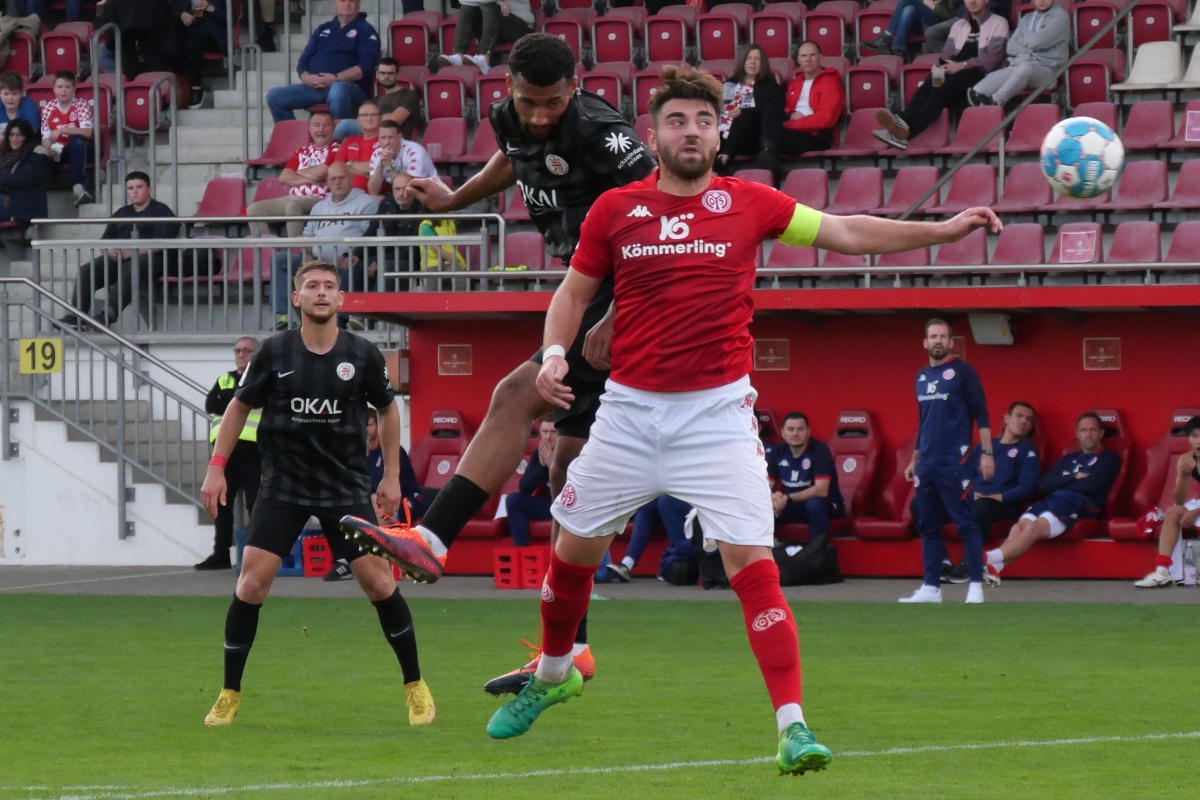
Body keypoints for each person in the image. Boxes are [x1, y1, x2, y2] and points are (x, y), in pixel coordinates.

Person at [452, 64, 999, 774]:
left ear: (719, 135)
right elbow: (572, 294)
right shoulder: (615, 209)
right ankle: (555, 675)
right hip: (628, 415)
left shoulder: (752, 202)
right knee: (571, 556)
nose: (691, 132)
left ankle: (793, 727)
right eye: (676, 121)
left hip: (716, 420)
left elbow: (846, 230)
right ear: (652, 136)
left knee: (753, 569)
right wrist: (555, 353)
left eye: (703, 122)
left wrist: (944, 230)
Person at [340, 32, 657, 694]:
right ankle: (570, 655)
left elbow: (663, 216)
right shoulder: (509, 118)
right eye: (528, 101)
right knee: (567, 475)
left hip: (632, 291)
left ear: (574, 89)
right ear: (509, 89)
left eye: (552, 103)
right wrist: (455, 198)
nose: (539, 116)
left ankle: (432, 538)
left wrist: (620, 313)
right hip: (587, 287)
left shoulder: (604, 134)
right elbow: (514, 159)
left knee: (517, 395)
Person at [199, 260, 435, 728]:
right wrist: (216, 467)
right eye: (312, 286)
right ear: (297, 298)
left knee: (380, 584)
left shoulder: (362, 354)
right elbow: (238, 407)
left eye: (329, 286)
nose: (321, 292)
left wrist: (390, 475)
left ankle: (416, 688)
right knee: (250, 585)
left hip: (344, 487)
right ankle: (228, 694)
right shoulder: (274, 352)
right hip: (283, 486)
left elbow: (387, 411)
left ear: (341, 299)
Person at [897, 318, 994, 605]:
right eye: (933, 336)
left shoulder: (963, 372)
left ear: (951, 343)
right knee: (928, 524)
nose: (937, 341)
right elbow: (924, 421)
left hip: (955, 460)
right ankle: (931, 587)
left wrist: (987, 453)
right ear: (925, 343)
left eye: (942, 337)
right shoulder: (921, 376)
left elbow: (981, 414)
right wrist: (914, 458)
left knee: (965, 522)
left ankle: (975, 585)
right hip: (926, 463)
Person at [984, 412, 1121, 584]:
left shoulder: (1109, 458)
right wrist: (1073, 476)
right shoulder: (1068, 458)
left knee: (1033, 527)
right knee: (1020, 526)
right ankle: (995, 567)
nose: (1088, 434)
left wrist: (1061, 481)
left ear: (1101, 433)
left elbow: (1090, 485)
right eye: (1084, 430)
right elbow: (1043, 485)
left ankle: (988, 557)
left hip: (1080, 504)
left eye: (1093, 430)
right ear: (1077, 434)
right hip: (1051, 500)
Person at [923, 400, 1039, 583]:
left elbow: (1027, 487)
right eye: (1019, 416)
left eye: (1029, 419)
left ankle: (970, 565)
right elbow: (963, 475)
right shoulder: (985, 446)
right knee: (923, 504)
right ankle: (941, 562)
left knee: (982, 506)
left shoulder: (1027, 451)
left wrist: (996, 497)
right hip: (972, 498)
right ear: (1007, 418)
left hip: (1001, 504)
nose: (1024, 421)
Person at [872, 0, 1008, 151]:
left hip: (979, 74)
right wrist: (940, 67)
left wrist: (961, 65)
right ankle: (899, 125)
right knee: (928, 84)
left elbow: (992, 59)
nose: (972, 1)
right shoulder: (959, 25)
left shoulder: (999, 22)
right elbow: (946, 54)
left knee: (941, 90)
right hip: (953, 70)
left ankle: (905, 134)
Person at [59, 171, 180, 329]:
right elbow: (105, 240)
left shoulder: (161, 211)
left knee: (133, 266)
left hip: (153, 260)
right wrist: (109, 250)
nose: (134, 192)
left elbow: (164, 242)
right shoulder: (122, 213)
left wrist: (136, 251)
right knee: (86, 271)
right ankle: (77, 315)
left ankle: (108, 315)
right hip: (121, 258)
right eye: (130, 188)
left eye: (139, 187)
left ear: (149, 189)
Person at [270, 160, 379, 329]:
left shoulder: (366, 203)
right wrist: (307, 255)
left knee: (352, 266)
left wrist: (351, 255)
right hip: (317, 261)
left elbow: (369, 236)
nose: (337, 182)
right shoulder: (319, 207)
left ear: (351, 178)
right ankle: (284, 318)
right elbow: (308, 237)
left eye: (341, 178)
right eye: (333, 179)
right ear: (327, 181)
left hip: (347, 261)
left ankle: (340, 320)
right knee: (280, 259)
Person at [326, 407, 426, 581]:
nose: (365, 429)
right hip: (372, 503)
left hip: (406, 501)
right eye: (362, 425)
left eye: (369, 425)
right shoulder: (354, 453)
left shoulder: (392, 451)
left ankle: (368, 563)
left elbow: (378, 484)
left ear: (379, 427)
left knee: (376, 500)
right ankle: (344, 560)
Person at [195, 337, 261, 571]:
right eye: (238, 350)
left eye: (247, 351)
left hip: (254, 450)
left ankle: (256, 556)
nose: (241, 355)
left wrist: (232, 399)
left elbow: (252, 401)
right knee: (221, 504)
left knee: (256, 504)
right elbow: (211, 404)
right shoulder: (225, 378)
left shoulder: (262, 378)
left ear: (257, 355)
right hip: (225, 452)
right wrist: (238, 401)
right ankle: (221, 554)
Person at [265, 0, 380, 123]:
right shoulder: (323, 28)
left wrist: (337, 78)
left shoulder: (366, 30)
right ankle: (294, 133)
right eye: (342, 0)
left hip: (349, 87)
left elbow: (366, 67)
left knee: (337, 91)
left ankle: (342, 134)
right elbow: (304, 60)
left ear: (358, 4)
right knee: (274, 96)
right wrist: (306, 77)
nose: (347, 4)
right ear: (335, 3)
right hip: (316, 86)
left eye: (351, 1)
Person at [246, 110, 340, 238]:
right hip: (294, 197)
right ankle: (266, 249)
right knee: (254, 209)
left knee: (292, 206)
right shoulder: (302, 151)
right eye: (317, 125)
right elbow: (284, 177)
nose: (321, 130)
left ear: (333, 128)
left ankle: (296, 249)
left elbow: (322, 172)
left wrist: (298, 173)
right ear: (310, 128)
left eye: (326, 125)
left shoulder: (337, 148)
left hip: (321, 198)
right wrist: (312, 178)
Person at [1134, 416, 1200, 589]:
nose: (1198, 441)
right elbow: (1179, 500)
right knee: (1173, 512)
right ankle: (1162, 572)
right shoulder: (1186, 459)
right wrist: (1185, 476)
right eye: (1194, 436)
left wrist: (1195, 512)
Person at [966, 0, 1069, 108]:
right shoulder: (1027, 18)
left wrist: (1025, 41)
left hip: (1049, 70)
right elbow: (1011, 47)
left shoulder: (1060, 17)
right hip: (1020, 65)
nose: (1041, 1)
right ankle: (985, 111)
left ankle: (996, 101)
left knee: (1026, 68)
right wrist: (1031, 49)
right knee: (979, 90)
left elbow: (1035, 42)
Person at [766, 412, 845, 539]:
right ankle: (768, 549)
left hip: (827, 505)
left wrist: (787, 498)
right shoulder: (777, 451)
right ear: (783, 433)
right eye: (790, 429)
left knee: (815, 504)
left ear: (808, 432)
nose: (795, 433)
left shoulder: (820, 450)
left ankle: (817, 550)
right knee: (763, 507)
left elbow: (821, 490)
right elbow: (766, 485)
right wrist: (772, 499)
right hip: (793, 504)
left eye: (800, 429)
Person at [715, 43, 784, 176]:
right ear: (743, 61)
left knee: (743, 117)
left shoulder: (769, 86)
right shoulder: (729, 84)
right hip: (724, 132)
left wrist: (743, 112)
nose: (752, 62)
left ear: (763, 64)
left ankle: (724, 157)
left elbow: (772, 113)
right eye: (749, 58)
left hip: (751, 136)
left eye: (757, 59)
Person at [605, 495, 695, 583]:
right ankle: (626, 564)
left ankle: (679, 561)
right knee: (647, 506)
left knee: (665, 500)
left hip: (696, 502)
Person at [779, 41, 844, 158]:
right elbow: (786, 107)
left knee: (772, 136)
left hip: (816, 136)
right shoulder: (795, 83)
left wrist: (788, 125)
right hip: (792, 132)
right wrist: (791, 113)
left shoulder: (831, 82)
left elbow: (826, 119)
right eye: (804, 56)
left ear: (820, 57)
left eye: (812, 55)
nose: (808, 59)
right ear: (798, 60)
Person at [497, 417, 556, 547]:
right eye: (545, 432)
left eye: (553, 432)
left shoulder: (569, 452)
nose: (548, 437)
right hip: (549, 507)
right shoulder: (538, 454)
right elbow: (524, 488)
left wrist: (553, 466)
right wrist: (542, 466)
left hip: (569, 507)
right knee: (513, 500)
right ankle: (522, 551)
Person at [39, 70, 93, 207]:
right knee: (39, 152)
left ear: (74, 88)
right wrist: (47, 147)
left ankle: (78, 187)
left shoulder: (81, 105)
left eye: (68, 87)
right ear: (53, 88)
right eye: (60, 87)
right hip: (59, 149)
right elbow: (45, 136)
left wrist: (62, 130)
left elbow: (87, 132)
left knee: (77, 140)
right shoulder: (48, 107)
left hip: (81, 148)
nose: (63, 91)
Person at [332, 59, 420, 141]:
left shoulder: (409, 95)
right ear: (377, 75)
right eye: (383, 73)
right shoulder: (376, 99)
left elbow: (396, 119)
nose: (386, 76)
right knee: (338, 125)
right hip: (372, 135)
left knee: (345, 125)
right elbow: (361, 118)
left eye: (390, 73)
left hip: (394, 138)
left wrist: (368, 119)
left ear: (397, 75)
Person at [439, 0, 534, 74]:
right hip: (494, 21)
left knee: (490, 5)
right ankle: (458, 54)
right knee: (467, 7)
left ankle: (485, 57)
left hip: (520, 24)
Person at [174, 0, 228, 109]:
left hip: (212, 36)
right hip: (187, 32)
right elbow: (172, 9)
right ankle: (176, 91)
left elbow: (231, 18)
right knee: (174, 44)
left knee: (191, 45)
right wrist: (182, 15)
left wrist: (211, 8)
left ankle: (196, 88)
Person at [365, 118, 436, 199]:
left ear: (399, 137)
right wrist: (380, 166)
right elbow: (373, 191)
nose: (387, 142)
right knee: (373, 200)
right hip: (399, 194)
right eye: (383, 138)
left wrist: (389, 168)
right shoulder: (376, 154)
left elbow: (410, 187)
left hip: (427, 193)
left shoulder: (415, 151)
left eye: (390, 137)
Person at [0, 118, 52, 224]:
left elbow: (22, 179)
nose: (14, 138)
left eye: (19, 135)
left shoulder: (37, 153)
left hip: (24, 206)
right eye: (11, 135)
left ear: (26, 137)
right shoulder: (7, 155)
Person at [862, 0, 954, 56]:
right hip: (917, 24)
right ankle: (898, 50)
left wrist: (932, 6)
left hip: (933, 24)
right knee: (908, 9)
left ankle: (886, 37)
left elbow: (949, 16)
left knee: (906, 1)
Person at [335, 99, 381, 193]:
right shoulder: (349, 141)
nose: (369, 118)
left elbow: (377, 167)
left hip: (371, 195)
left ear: (381, 118)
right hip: (345, 195)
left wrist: (350, 163)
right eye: (364, 115)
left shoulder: (386, 140)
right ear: (358, 121)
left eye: (373, 115)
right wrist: (364, 173)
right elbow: (338, 168)